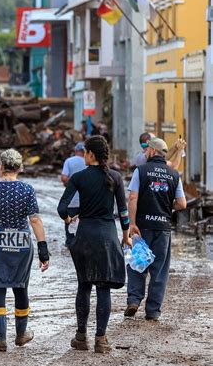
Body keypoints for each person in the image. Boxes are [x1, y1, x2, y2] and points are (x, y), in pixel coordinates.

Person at [0, 149, 50, 352]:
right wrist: (43, 250)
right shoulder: (26, 190)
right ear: (20, 168)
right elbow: (35, 220)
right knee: (20, 287)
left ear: (0, 167)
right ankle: (21, 334)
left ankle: (1, 339)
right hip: (21, 243)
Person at [57, 136, 131, 354]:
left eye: (85, 153)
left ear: (90, 154)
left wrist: (70, 220)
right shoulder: (115, 177)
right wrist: (125, 236)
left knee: (84, 285)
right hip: (108, 236)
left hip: (85, 236)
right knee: (104, 288)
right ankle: (101, 339)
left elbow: (62, 208)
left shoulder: (78, 178)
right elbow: (124, 213)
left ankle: (81, 337)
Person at [125, 137, 187, 321]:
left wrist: (132, 224)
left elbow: (132, 199)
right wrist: (167, 206)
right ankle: (152, 311)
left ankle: (134, 300)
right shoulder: (174, 175)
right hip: (163, 228)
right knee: (159, 270)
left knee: (137, 263)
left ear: (152, 151)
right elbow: (182, 204)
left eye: (147, 151)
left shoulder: (141, 171)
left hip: (142, 226)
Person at [61, 142, 87, 246]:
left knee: (70, 224)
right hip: (85, 201)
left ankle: (70, 244)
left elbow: (64, 178)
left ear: (75, 151)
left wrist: (71, 184)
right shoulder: (88, 162)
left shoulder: (69, 161)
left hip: (71, 201)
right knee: (84, 224)